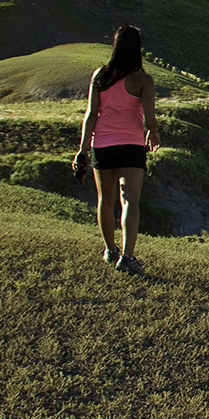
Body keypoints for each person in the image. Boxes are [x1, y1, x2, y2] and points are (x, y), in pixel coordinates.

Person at [73, 24, 160, 275]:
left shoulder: (100, 75)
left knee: (105, 200)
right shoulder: (143, 80)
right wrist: (153, 133)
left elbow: (90, 114)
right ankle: (128, 256)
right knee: (130, 201)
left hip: (102, 143)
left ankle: (110, 249)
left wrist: (83, 149)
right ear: (138, 48)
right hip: (132, 143)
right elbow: (150, 118)